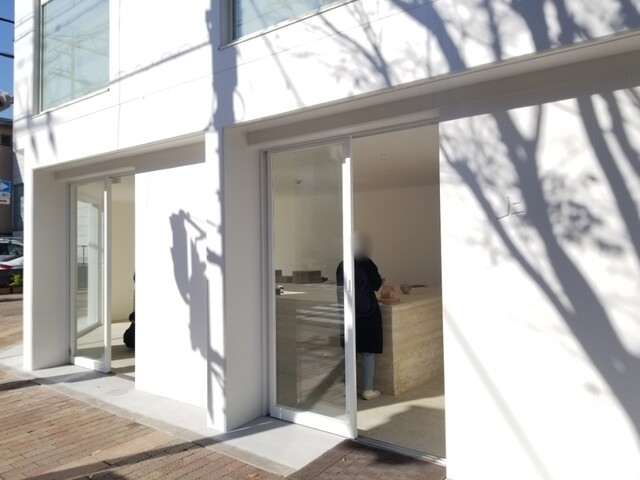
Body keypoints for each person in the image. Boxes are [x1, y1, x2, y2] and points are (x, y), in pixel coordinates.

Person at [336, 232, 383, 400]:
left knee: (350, 353)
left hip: (349, 314)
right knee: (367, 352)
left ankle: (348, 388)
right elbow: (377, 284)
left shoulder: (342, 264)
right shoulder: (367, 263)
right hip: (367, 314)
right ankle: (367, 389)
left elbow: (340, 289)